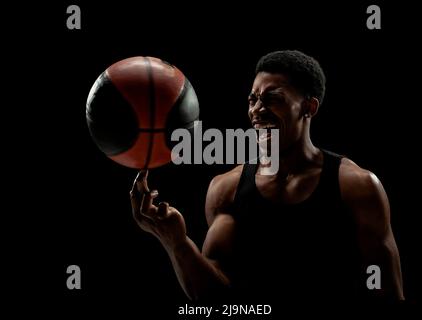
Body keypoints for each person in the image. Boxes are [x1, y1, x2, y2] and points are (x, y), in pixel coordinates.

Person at [130, 50, 404, 302]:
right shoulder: (226, 189)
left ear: (309, 107)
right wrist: (175, 241)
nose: (257, 110)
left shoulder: (356, 186)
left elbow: (388, 291)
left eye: (273, 98)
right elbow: (215, 299)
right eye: (253, 99)